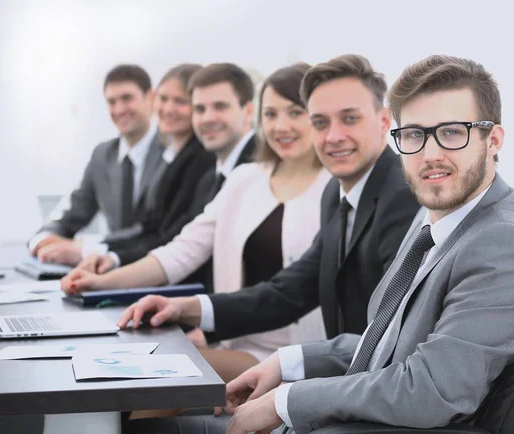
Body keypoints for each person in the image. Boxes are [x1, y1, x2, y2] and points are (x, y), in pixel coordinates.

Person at [110, 55, 421, 372]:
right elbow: (290, 291)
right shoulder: (338, 193)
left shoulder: (403, 197)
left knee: (153, 372)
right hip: (327, 376)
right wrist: (188, 308)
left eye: (350, 119)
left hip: (356, 392)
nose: (333, 136)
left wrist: (282, 386)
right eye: (320, 122)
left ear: (384, 121)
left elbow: (389, 341)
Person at [62, 63, 332, 381]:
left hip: (298, 356)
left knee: (148, 375)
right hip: (236, 341)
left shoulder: (333, 188)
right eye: (271, 114)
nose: (280, 126)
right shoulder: (246, 179)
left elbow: (292, 292)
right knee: (126, 366)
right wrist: (103, 282)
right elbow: (183, 250)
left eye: (295, 112)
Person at [78, 63, 257, 290]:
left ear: (248, 111)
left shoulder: (255, 169)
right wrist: (108, 269)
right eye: (200, 109)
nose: (208, 117)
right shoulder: (211, 177)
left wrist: (107, 269)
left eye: (219, 106)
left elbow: (177, 243)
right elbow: (184, 247)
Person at [76, 64, 215, 270]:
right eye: (164, 99)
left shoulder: (200, 159)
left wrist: (110, 257)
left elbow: (171, 236)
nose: (168, 109)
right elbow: (152, 227)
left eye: (180, 102)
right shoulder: (173, 156)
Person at [29, 64, 164, 266]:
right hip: (108, 272)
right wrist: (45, 238)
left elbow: (153, 230)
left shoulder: (172, 153)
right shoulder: (102, 156)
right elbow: (73, 211)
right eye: (111, 102)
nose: (119, 109)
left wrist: (86, 246)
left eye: (127, 99)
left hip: (158, 268)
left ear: (151, 98)